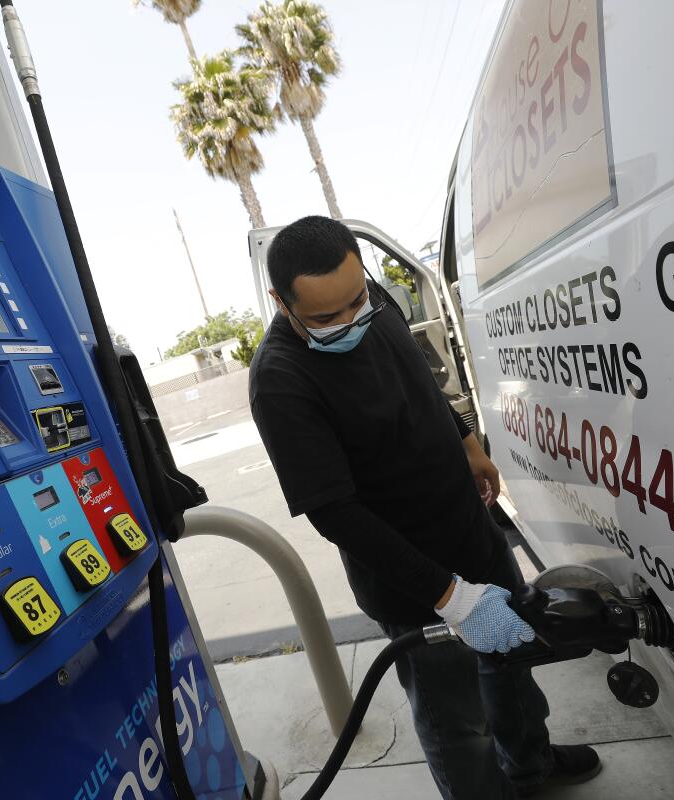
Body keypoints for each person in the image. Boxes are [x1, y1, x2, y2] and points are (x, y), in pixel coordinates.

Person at [248, 216, 602, 799]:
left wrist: (467, 443)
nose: (348, 322)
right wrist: (450, 597)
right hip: (413, 583)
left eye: (355, 302)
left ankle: (531, 763)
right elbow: (334, 512)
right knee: (458, 721)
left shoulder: (370, 300)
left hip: (472, 533)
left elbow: (422, 380)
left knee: (514, 665)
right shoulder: (281, 381)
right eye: (324, 318)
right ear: (280, 302)